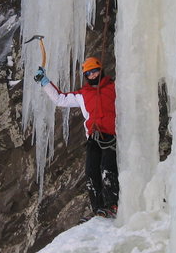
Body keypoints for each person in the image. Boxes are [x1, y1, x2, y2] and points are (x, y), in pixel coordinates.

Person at [34, 56, 119, 219]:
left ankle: (113, 204)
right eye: (89, 74)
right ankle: (98, 208)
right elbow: (60, 99)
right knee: (91, 172)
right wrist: (44, 82)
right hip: (94, 137)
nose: (93, 75)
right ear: (86, 76)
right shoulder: (83, 94)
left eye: (94, 71)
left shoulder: (114, 87)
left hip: (112, 136)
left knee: (108, 169)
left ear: (101, 70)